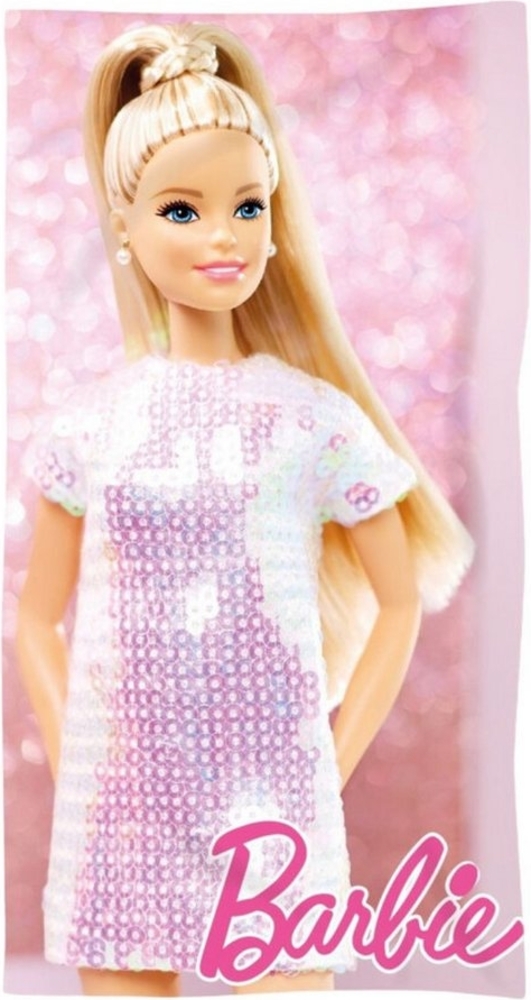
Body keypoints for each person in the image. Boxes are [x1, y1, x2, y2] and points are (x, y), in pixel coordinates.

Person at [16, 21, 474, 998]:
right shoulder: (92, 426)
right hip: (123, 812)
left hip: (275, 801)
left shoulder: (312, 420)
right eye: (183, 210)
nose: (223, 236)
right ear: (126, 226)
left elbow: (399, 603)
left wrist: (325, 765)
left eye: (248, 206)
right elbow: (35, 619)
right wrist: (78, 758)